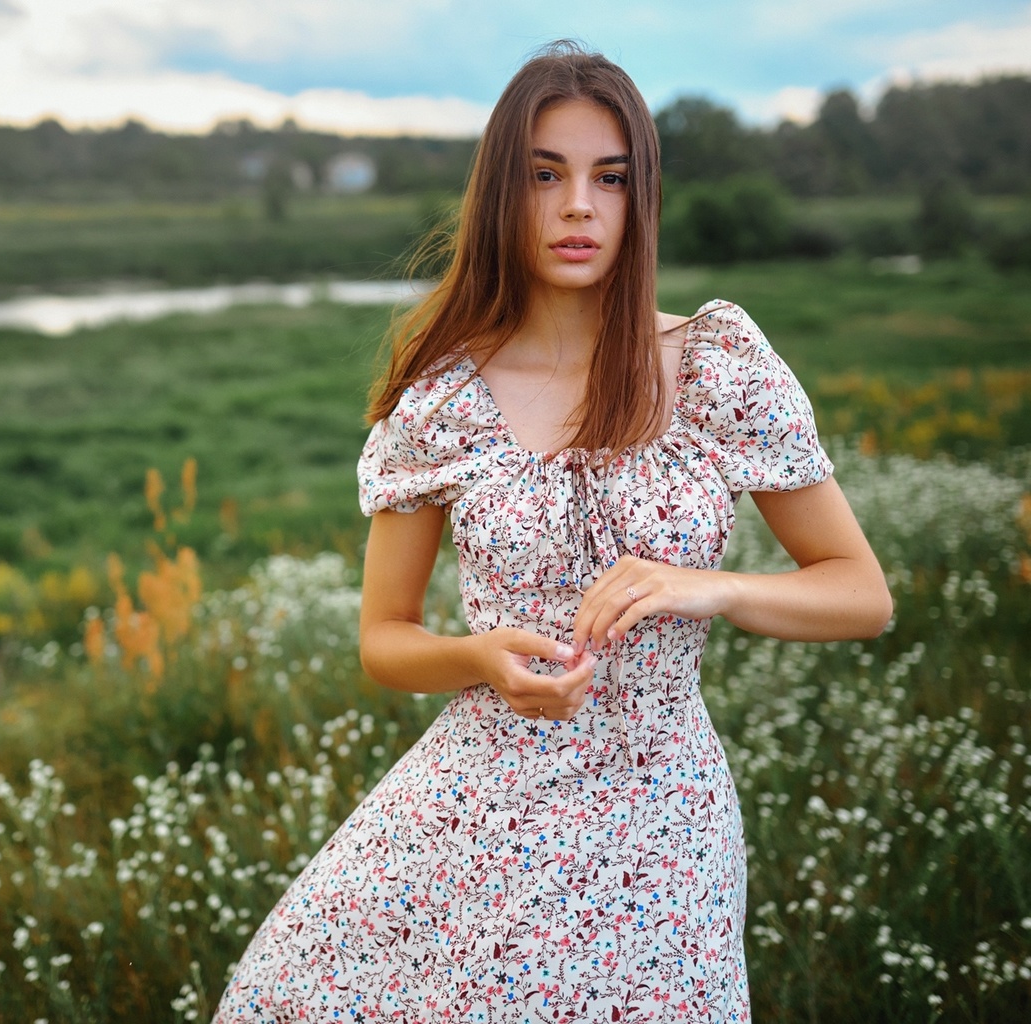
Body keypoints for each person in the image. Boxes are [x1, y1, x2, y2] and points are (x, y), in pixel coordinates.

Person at [215, 41, 891, 1023]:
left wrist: (710, 586)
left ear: (638, 198)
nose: (578, 205)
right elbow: (384, 639)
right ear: (502, 195)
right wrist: (477, 657)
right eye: (544, 175)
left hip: (663, 820)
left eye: (607, 179)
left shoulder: (714, 364)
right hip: (484, 814)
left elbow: (859, 593)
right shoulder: (440, 395)